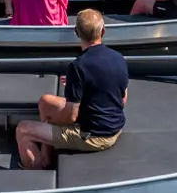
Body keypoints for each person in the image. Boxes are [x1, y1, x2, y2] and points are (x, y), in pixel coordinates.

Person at [15, 9, 128, 170]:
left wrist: (52, 120)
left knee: (23, 129)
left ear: (76, 32)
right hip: (115, 127)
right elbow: (122, 100)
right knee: (46, 102)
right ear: (103, 31)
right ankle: (47, 153)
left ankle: (36, 169)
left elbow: (71, 116)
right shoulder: (119, 58)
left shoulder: (78, 66)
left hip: (93, 135)